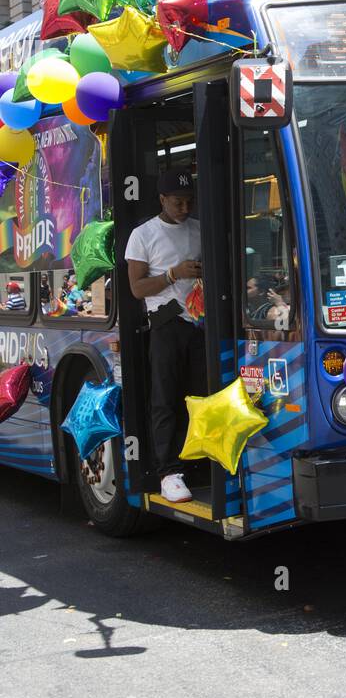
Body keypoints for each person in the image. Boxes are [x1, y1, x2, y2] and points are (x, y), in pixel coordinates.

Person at [125, 169, 205, 504]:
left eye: (188, 202)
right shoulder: (142, 235)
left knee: (201, 397)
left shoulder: (199, 228)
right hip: (166, 324)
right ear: (161, 200)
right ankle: (168, 472)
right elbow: (136, 288)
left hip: (200, 323)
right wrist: (173, 274)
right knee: (165, 399)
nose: (184, 208)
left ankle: (200, 462)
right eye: (177, 202)